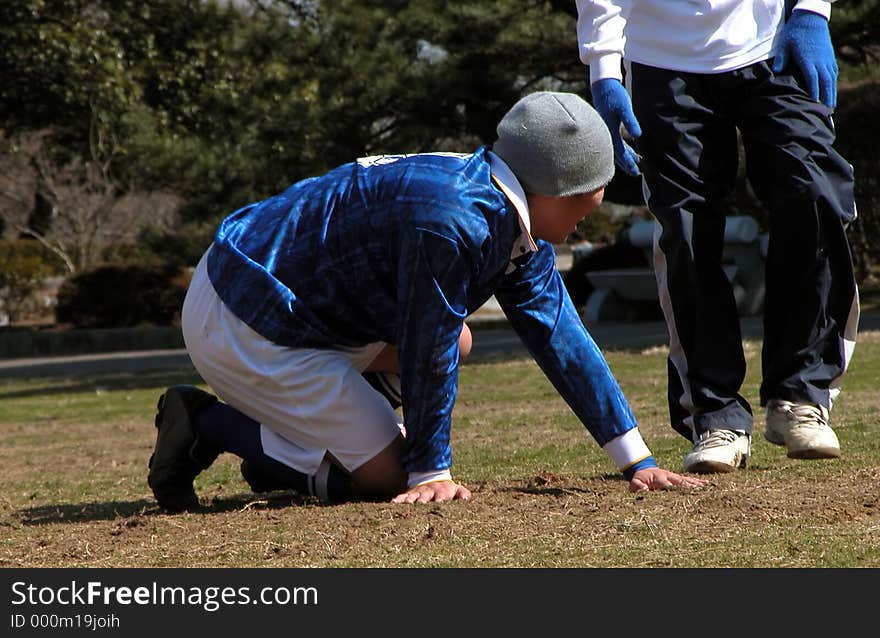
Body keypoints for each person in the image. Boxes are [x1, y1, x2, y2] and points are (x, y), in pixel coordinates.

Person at [147, 91, 708, 511]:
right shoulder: (453, 221)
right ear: (549, 188)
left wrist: (637, 460)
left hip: (294, 304)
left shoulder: (499, 204)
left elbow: (558, 334)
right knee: (386, 477)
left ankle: (298, 450)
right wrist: (429, 473)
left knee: (461, 339)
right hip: (246, 313)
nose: (588, 220)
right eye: (584, 206)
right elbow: (425, 346)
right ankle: (206, 423)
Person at [576, 1, 859, 473]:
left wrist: (811, 12)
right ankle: (715, 414)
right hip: (661, 59)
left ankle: (801, 396)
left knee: (818, 193)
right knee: (684, 230)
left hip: (772, 40)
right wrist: (604, 68)